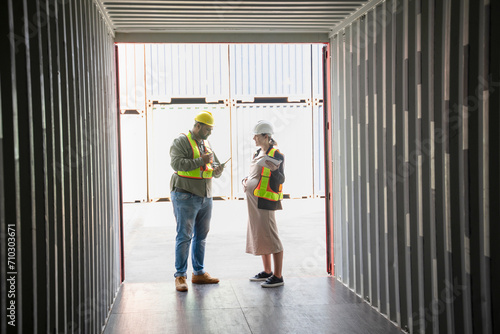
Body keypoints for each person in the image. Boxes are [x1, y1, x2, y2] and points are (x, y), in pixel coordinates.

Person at [169, 110, 225, 292]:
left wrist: (217, 170)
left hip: (205, 196)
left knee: (201, 237)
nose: (209, 133)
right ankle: (180, 276)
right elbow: (177, 164)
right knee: (184, 236)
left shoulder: (206, 143)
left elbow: (212, 165)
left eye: (211, 130)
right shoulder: (181, 141)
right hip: (185, 195)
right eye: (207, 129)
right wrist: (200, 160)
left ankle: (199, 273)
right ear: (198, 125)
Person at [242, 120, 285, 288]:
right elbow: (255, 174)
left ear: (266, 136)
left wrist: (275, 172)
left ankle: (278, 276)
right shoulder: (257, 153)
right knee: (260, 235)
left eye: (257, 136)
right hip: (254, 202)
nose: (254, 138)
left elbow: (281, 178)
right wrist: (247, 180)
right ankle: (267, 271)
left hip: (265, 201)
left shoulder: (276, 154)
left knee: (272, 237)